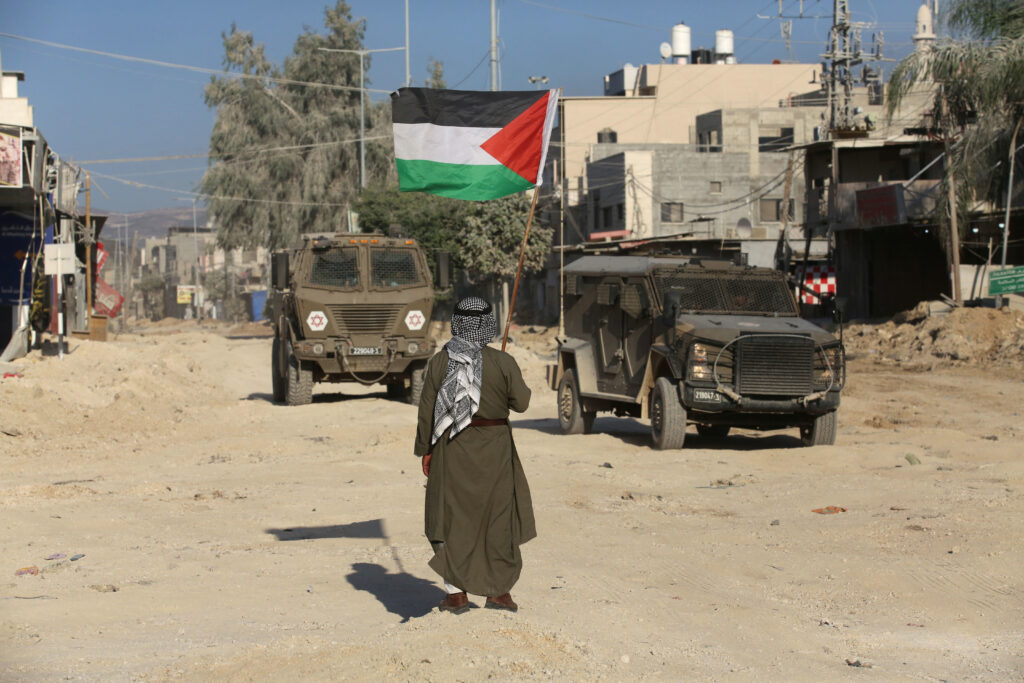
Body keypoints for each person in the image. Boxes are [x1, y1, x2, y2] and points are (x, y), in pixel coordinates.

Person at [413, 296, 536, 614]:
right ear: (488, 324)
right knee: (498, 519)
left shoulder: (441, 362)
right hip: (495, 451)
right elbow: (521, 403)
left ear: (457, 323)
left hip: (451, 450)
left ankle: (456, 594)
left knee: (453, 519)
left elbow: (427, 412)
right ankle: (499, 593)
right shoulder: (502, 362)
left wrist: (425, 451)